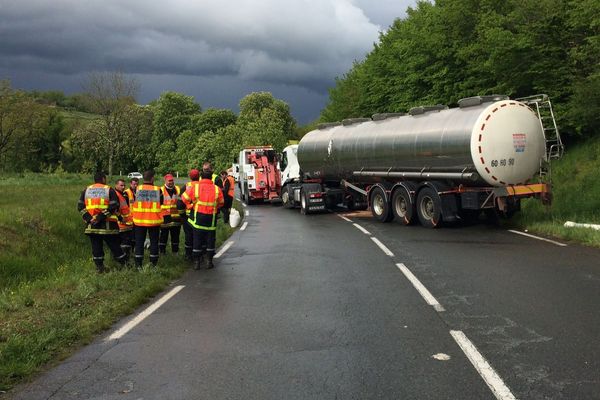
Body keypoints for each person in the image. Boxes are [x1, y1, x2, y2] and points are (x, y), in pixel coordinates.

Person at [77, 171, 128, 273]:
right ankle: (125, 264)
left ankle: (99, 267)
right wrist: (100, 217)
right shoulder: (108, 189)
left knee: (96, 247)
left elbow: (80, 206)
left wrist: (89, 218)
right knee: (114, 246)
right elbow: (113, 206)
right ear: (104, 179)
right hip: (107, 225)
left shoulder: (86, 190)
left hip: (92, 225)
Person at [182, 164, 224, 270]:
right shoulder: (216, 189)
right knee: (210, 239)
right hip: (211, 219)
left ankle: (196, 263)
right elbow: (221, 203)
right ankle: (209, 261)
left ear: (201, 177)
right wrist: (213, 207)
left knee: (197, 239)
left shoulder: (195, 187)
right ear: (211, 178)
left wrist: (191, 205)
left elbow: (184, 198)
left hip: (198, 218)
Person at [131, 170, 164, 268]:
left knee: (139, 243)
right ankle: (153, 265)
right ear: (152, 178)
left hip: (139, 221)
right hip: (154, 221)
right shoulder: (158, 190)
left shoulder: (137, 189)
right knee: (154, 243)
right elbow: (161, 202)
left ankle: (138, 265)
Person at [178, 169, 199, 261]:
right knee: (199, 235)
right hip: (201, 215)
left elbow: (180, 202)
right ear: (199, 176)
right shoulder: (203, 186)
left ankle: (188, 255)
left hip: (188, 216)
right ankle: (199, 255)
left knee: (188, 236)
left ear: (190, 177)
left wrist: (182, 215)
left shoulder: (187, 186)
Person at [159, 174, 182, 254]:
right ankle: (162, 252)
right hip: (165, 217)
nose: (171, 182)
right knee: (163, 236)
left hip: (176, 217)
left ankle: (175, 252)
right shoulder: (160, 190)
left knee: (175, 236)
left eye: (172, 180)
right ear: (165, 181)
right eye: (169, 181)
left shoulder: (178, 189)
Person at [114, 178, 134, 259]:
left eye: (124, 185)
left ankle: (125, 258)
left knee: (126, 244)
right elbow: (114, 209)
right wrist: (121, 218)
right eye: (121, 185)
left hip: (126, 224)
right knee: (124, 245)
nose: (123, 187)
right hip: (121, 225)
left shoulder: (122, 194)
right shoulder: (116, 195)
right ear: (116, 185)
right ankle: (125, 260)